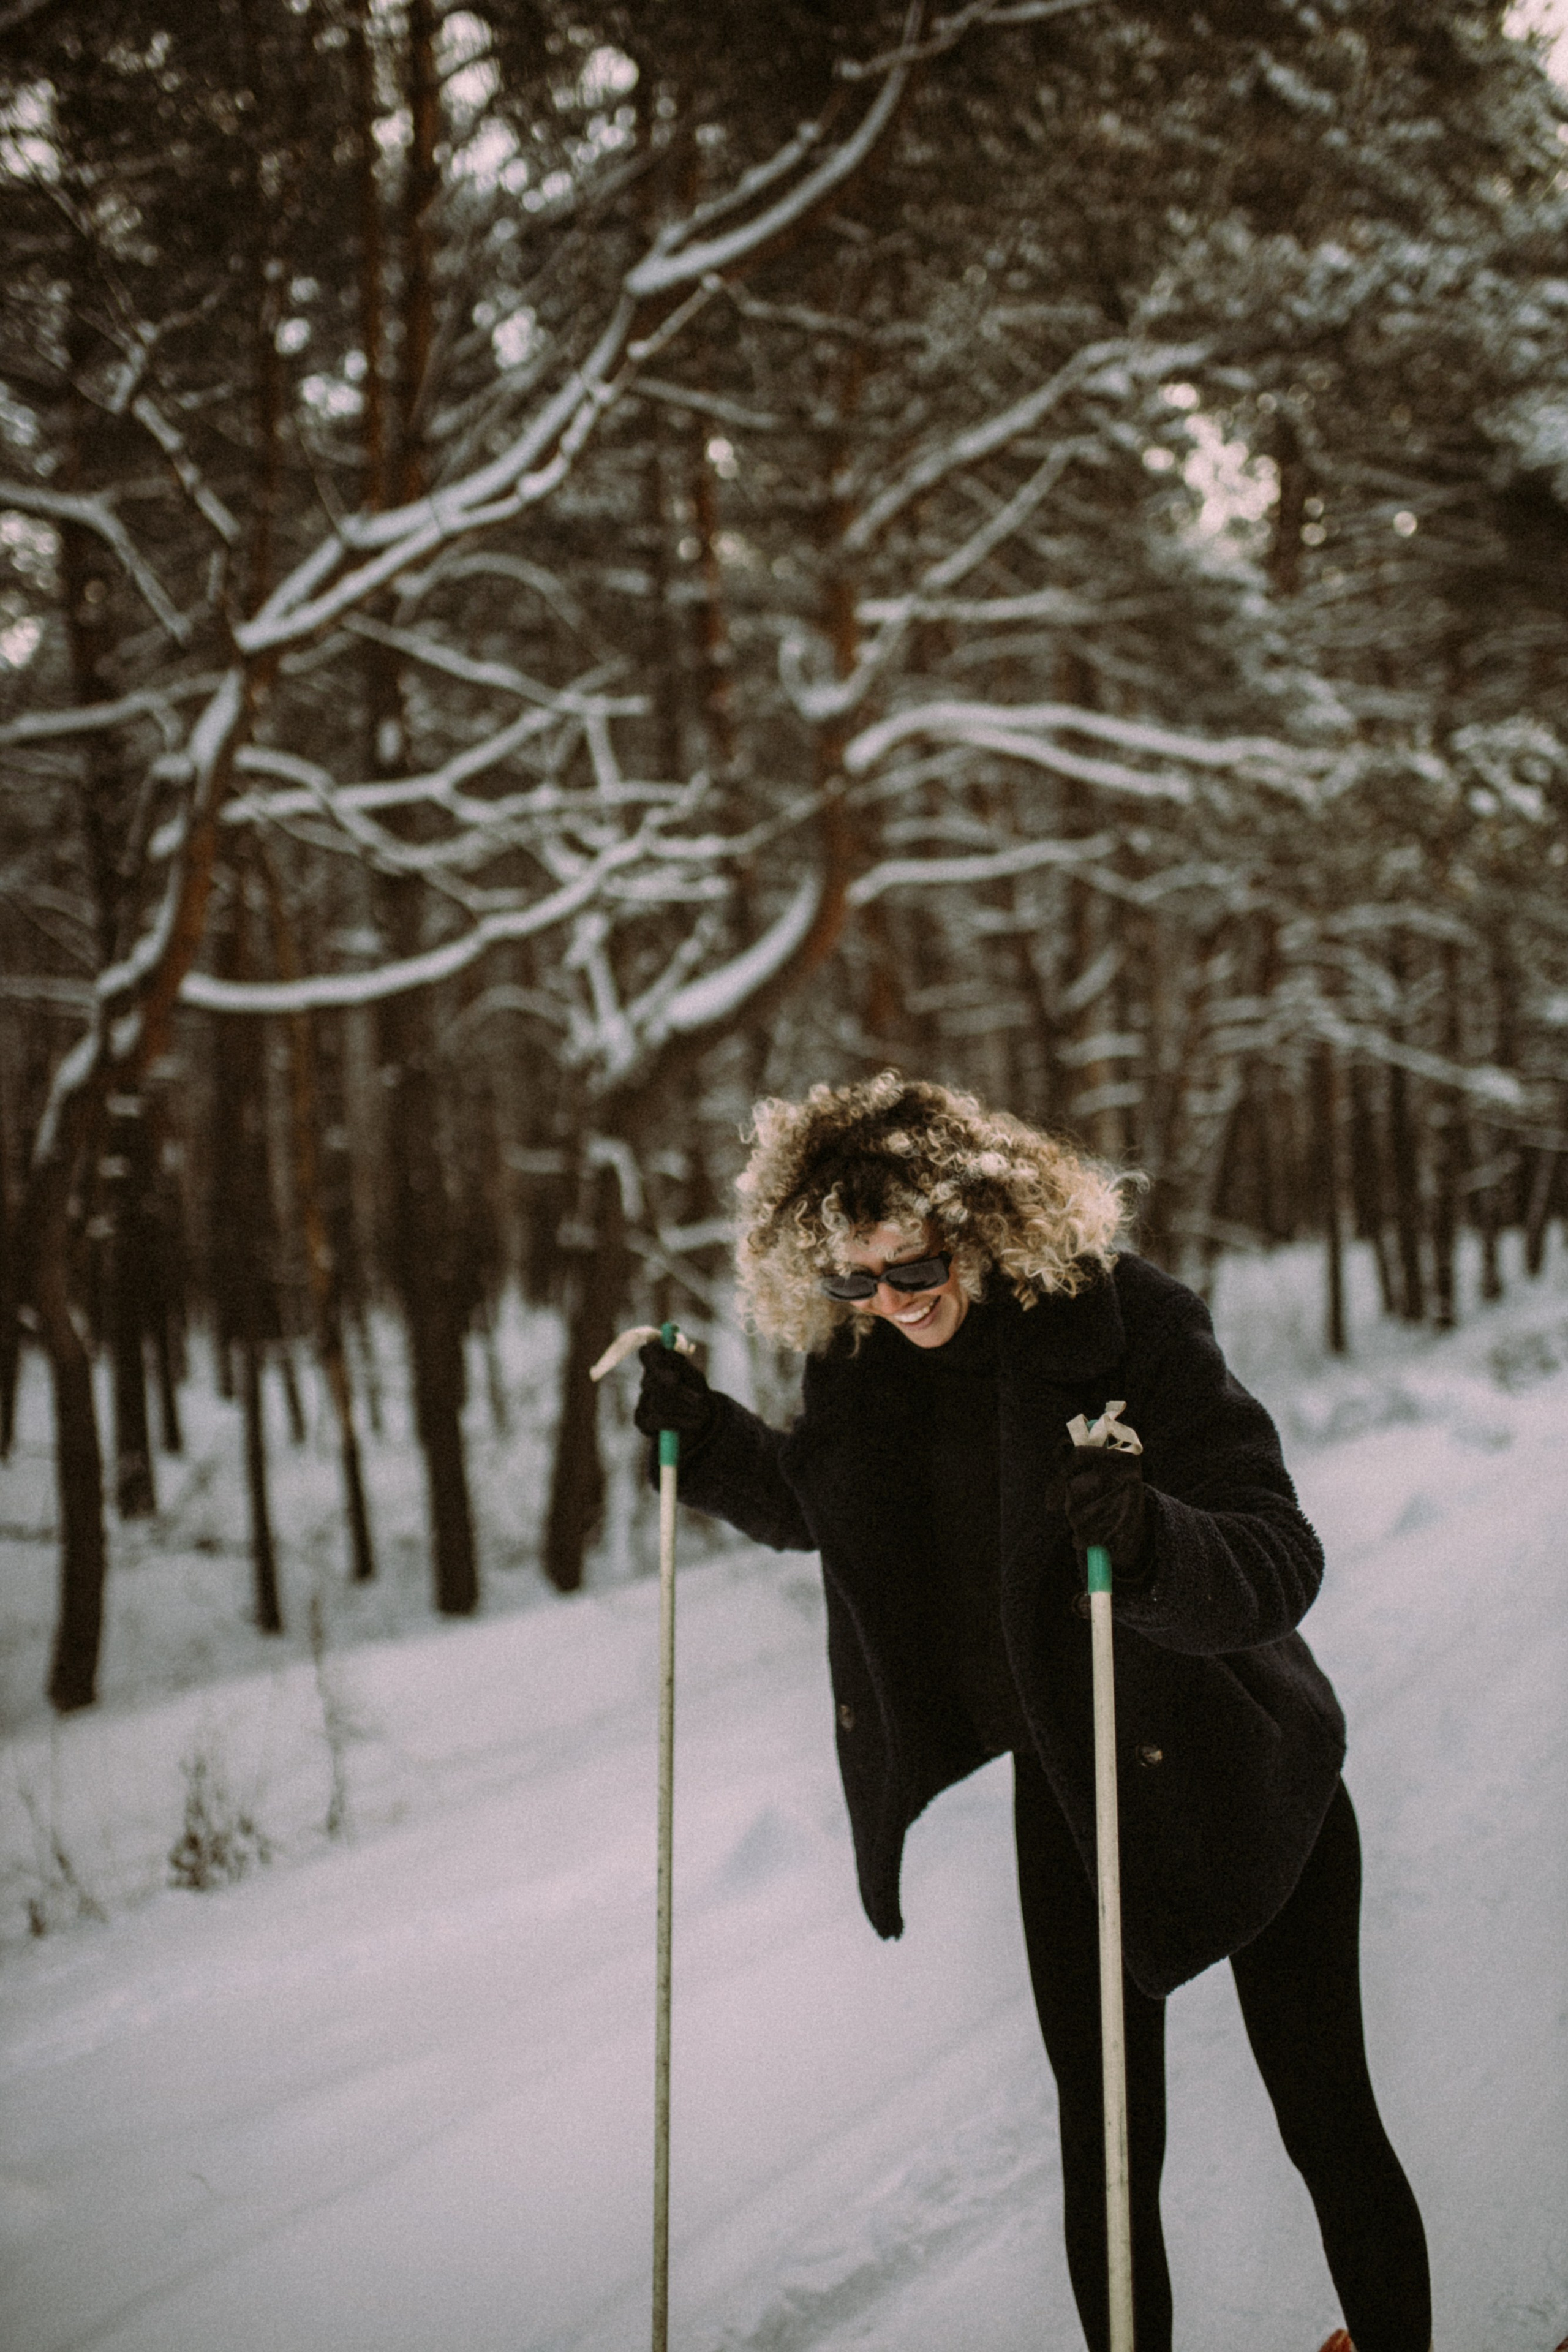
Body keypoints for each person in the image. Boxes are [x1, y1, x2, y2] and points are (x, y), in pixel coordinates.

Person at [634, 1074, 1431, 2352]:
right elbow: (827, 1509)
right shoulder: (867, 1369)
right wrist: (706, 1437)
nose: (892, 1302)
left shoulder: (1129, 1326)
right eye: (855, 1281)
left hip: (1240, 1766)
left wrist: (1154, 1538)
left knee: (1320, 2112)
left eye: (916, 1266)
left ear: (984, 1216)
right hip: (1074, 1795)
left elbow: (1280, 1554)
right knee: (1105, 2151)